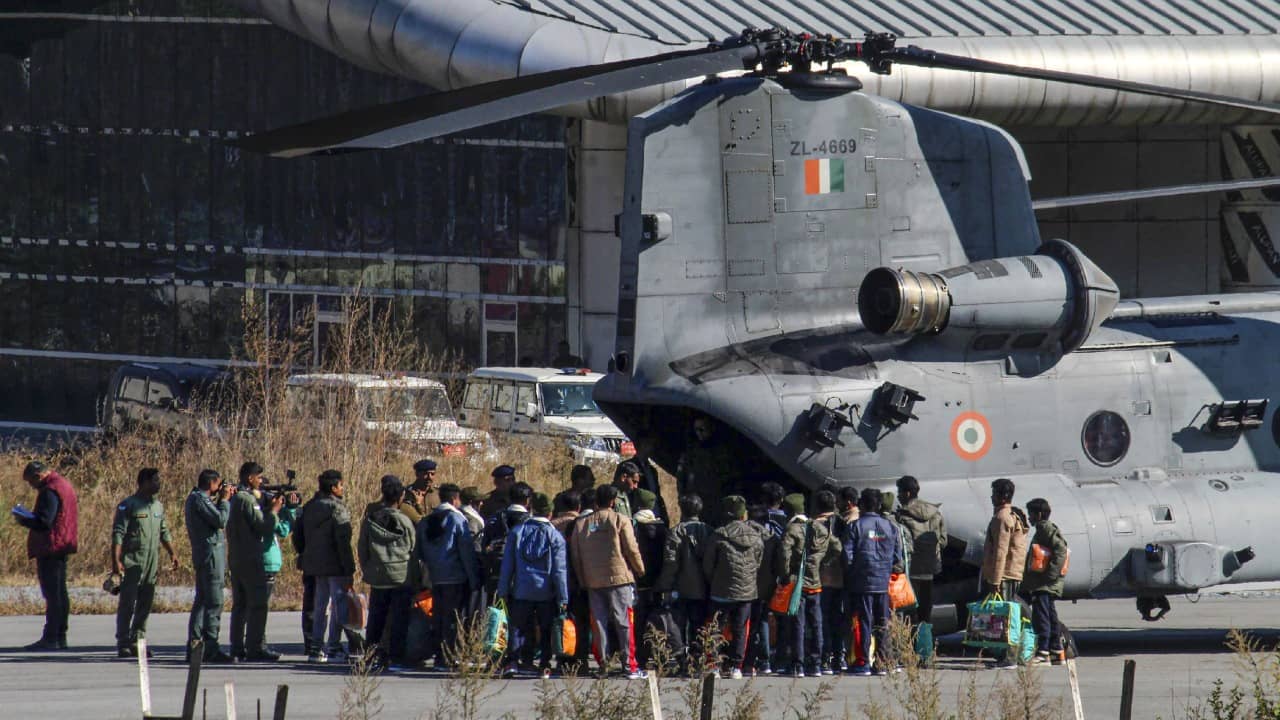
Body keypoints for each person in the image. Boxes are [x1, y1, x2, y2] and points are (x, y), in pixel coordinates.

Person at [570, 484, 646, 679]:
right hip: (619, 579)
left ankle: (603, 663)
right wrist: (640, 569)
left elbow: (576, 556)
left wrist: (582, 579)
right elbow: (631, 549)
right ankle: (629, 665)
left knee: (599, 622)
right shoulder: (620, 520)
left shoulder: (581, 524)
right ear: (613, 501)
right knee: (624, 621)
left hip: (593, 581)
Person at [497, 492, 568, 678]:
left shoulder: (517, 532)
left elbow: (507, 565)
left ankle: (512, 662)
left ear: (531, 509)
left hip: (521, 589)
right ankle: (544, 664)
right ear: (550, 513)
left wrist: (503, 590)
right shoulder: (555, 536)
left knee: (517, 626)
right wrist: (563, 597)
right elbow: (559, 570)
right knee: (545, 628)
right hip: (546, 591)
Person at [111, 467, 178, 658]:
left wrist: (172, 553)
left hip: (151, 563)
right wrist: (115, 561)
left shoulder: (158, 506)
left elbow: (164, 531)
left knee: (145, 604)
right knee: (128, 603)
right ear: (145, 482)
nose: (159, 483)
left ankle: (137, 641)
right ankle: (123, 642)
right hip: (132, 561)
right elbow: (118, 534)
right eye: (155, 480)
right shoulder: (128, 505)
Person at [227, 461, 287, 662]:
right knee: (258, 604)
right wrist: (274, 511)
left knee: (240, 605)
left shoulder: (236, 498)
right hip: (250, 558)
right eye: (259, 477)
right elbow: (263, 526)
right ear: (250, 478)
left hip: (237, 557)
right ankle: (255, 648)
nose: (261, 481)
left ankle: (237, 647)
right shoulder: (246, 499)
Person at [15, 460, 78, 650]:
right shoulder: (63, 485)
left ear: (38, 476)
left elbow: (44, 521)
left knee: (53, 594)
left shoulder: (49, 490)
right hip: (62, 543)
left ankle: (52, 637)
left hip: (51, 546)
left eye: (31, 482)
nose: (31, 486)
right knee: (60, 592)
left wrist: (23, 519)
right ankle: (60, 635)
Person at [418, 483, 481, 669]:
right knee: (453, 618)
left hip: (435, 576)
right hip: (455, 576)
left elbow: (419, 551)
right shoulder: (457, 519)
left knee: (438, 616)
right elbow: (465, 552)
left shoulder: (426, 520)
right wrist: (474, 578)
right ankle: (450, 655)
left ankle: (439, 654)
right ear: (455, 499)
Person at [702, 495, 763, 680]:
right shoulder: (756, 536)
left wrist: (714, 580)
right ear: (744, 514)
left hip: (721, 589)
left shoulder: (719, 535)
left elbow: (708, 564)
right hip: (746, 591)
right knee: (741, 629)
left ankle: (714, 665)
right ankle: (737, 666)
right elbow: (758, 562)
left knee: (715, 628)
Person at [359, 476, 417, 670]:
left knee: (376, 618)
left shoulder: (370, 520)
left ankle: (370, 656)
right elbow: (413, 550)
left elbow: (362, 548)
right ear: (401, 497)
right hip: (401, 576)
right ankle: (396, 658)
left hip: (378, 575)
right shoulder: (405, 521)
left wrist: (368, 568)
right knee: (399, 620)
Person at [777, 492, 836, 678]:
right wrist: (823, 562)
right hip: (815, 582)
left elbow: (784, 555)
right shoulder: (819, 527)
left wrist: (785, 575)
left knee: (798, 624)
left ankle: (798, 664)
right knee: (816, 623)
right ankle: (816, 663)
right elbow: (837, 547)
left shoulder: (791, 530)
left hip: (797, 583)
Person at [300, 469, 355, 664]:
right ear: (333, 488)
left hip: (314, 564)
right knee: (339, 606)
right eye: (340, 485)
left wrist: (306, 555)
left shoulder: (308, 507)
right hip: (335, 564)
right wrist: (349, 566)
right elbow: (343, 540)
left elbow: (298, 535)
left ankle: (315, 648)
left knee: (319, 606)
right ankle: (334, 647)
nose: (342, 488)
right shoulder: (337, 508)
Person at [844, 488, 900, 677]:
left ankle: (863, 663)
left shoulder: (855, 527)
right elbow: (897, 557)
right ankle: (883, 662)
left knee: (864, 622)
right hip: (882, 583)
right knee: (883, 623)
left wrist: (851, 574)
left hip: (862, 582)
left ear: (862, 504)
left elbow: (847, 556)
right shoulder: (890, 527)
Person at [655, 493, 710, 672]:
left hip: (682, 587)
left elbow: (671, 562)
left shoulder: (676, 531)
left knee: (679, 626)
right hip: (705, 587)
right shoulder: (709, 531)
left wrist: (664, 586)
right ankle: (698, 659)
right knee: (699, 626)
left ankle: (682, 660)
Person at [185, 469, 234, 663]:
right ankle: (210, 647)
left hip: (206, 554)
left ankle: (195, 646)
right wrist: (224, 501)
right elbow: (220, 520)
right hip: (210, 555)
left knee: (203, 601)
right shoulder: (200, 500)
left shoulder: (197, 499)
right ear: (211, 483)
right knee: (214, 602)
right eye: (218, 484)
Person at [980, 477, 1030, 668]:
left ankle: (1009, 657)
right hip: (1011, 573)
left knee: (1006, 617)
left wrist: (995, 580)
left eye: (994, 494)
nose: (991, 497)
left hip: (1005, 575)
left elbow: (1000, 552)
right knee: (1007, 615)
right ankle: (1006, 655)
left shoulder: (1002, 518)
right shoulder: (1013, 515)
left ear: (1002, 497)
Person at [894, 476, 948, 625]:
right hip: (930, 568)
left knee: (910, 613)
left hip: (911, 570)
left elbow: (901, 544)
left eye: (899, 492)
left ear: (907, 493)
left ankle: (911, 638)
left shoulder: (902, 515)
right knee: (926, 611)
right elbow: (943, 541)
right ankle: (925, 638)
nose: (898, 496)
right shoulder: (935, 512)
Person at [1021, 498, 1068, 666]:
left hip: (1044, 584)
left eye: (1031, 514)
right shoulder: (1043, 529)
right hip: (1044, 583)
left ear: (1039, 514)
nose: (1029, 518)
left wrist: (1050, 576)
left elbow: (1061, 550)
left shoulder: (1046, 529)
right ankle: (1057, 651)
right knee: (1051, 616)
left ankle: (1043, 653)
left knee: (1041, 617)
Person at [631, 489, 668, 666]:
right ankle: (660, 653)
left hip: (638, 581)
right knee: (657, 619)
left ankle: (641, 655)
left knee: (639, 620)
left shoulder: (632, 526)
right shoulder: (662, 528)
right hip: (657, 582)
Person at [813, 490, 847, 675]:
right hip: (840, 578)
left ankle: (824, 657)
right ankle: (839, 655)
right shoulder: (843, 522)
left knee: (822, 619)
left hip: (820, 579)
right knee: (838, 619)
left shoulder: (814, 525)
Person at [482, 481, 532, 598]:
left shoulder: (495, 518)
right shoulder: (531, 522)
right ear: (527, 500)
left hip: (496, 573)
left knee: (496, 608)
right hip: (523, 578)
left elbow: (484, 545)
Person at [677, 416, 735, 503]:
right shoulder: (690, 452)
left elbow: (728, 477)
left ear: (711, 428)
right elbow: (681, 477)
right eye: (696, 430)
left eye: (702, 429)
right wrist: (683, 498)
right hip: (695, 502)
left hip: (716, 500)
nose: (698, 433)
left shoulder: (721, 452)